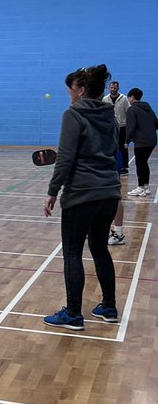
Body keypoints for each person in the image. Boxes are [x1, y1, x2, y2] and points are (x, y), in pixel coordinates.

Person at [43, 64, 121, 330]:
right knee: (99, 248)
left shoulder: (73, 114)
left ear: (82, 90)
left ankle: (73, 313)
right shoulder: (109, 114)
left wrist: (53, 191)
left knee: (73, 251)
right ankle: (108, 307)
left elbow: (65, 158)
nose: (68, 92)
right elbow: (114, 151)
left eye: (71, 88)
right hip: (109, 192)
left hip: (82, 195)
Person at [124, 87, 157, 198]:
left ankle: (140, 188)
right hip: (152, 140)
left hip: (141, 141)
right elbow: (156, 123)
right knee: (144, 163)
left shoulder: (132, 109)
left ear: (132, 97)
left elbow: (131, 127)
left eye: (129, 97)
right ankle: (146, 187)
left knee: (140, 163)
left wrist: (127, 141)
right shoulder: (148, 108)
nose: (128, 100)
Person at [103, 81, 129, 174]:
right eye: (111, 88)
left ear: (118, 88)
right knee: (110, 146)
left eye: (114, 88)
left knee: (123, 147)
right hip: (110, 127)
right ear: (109, 88)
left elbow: (128, 112)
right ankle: (111, 164)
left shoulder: (124, 98)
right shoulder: (105, 99)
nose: (113, 89)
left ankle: (124, 166)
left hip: (122, 126)